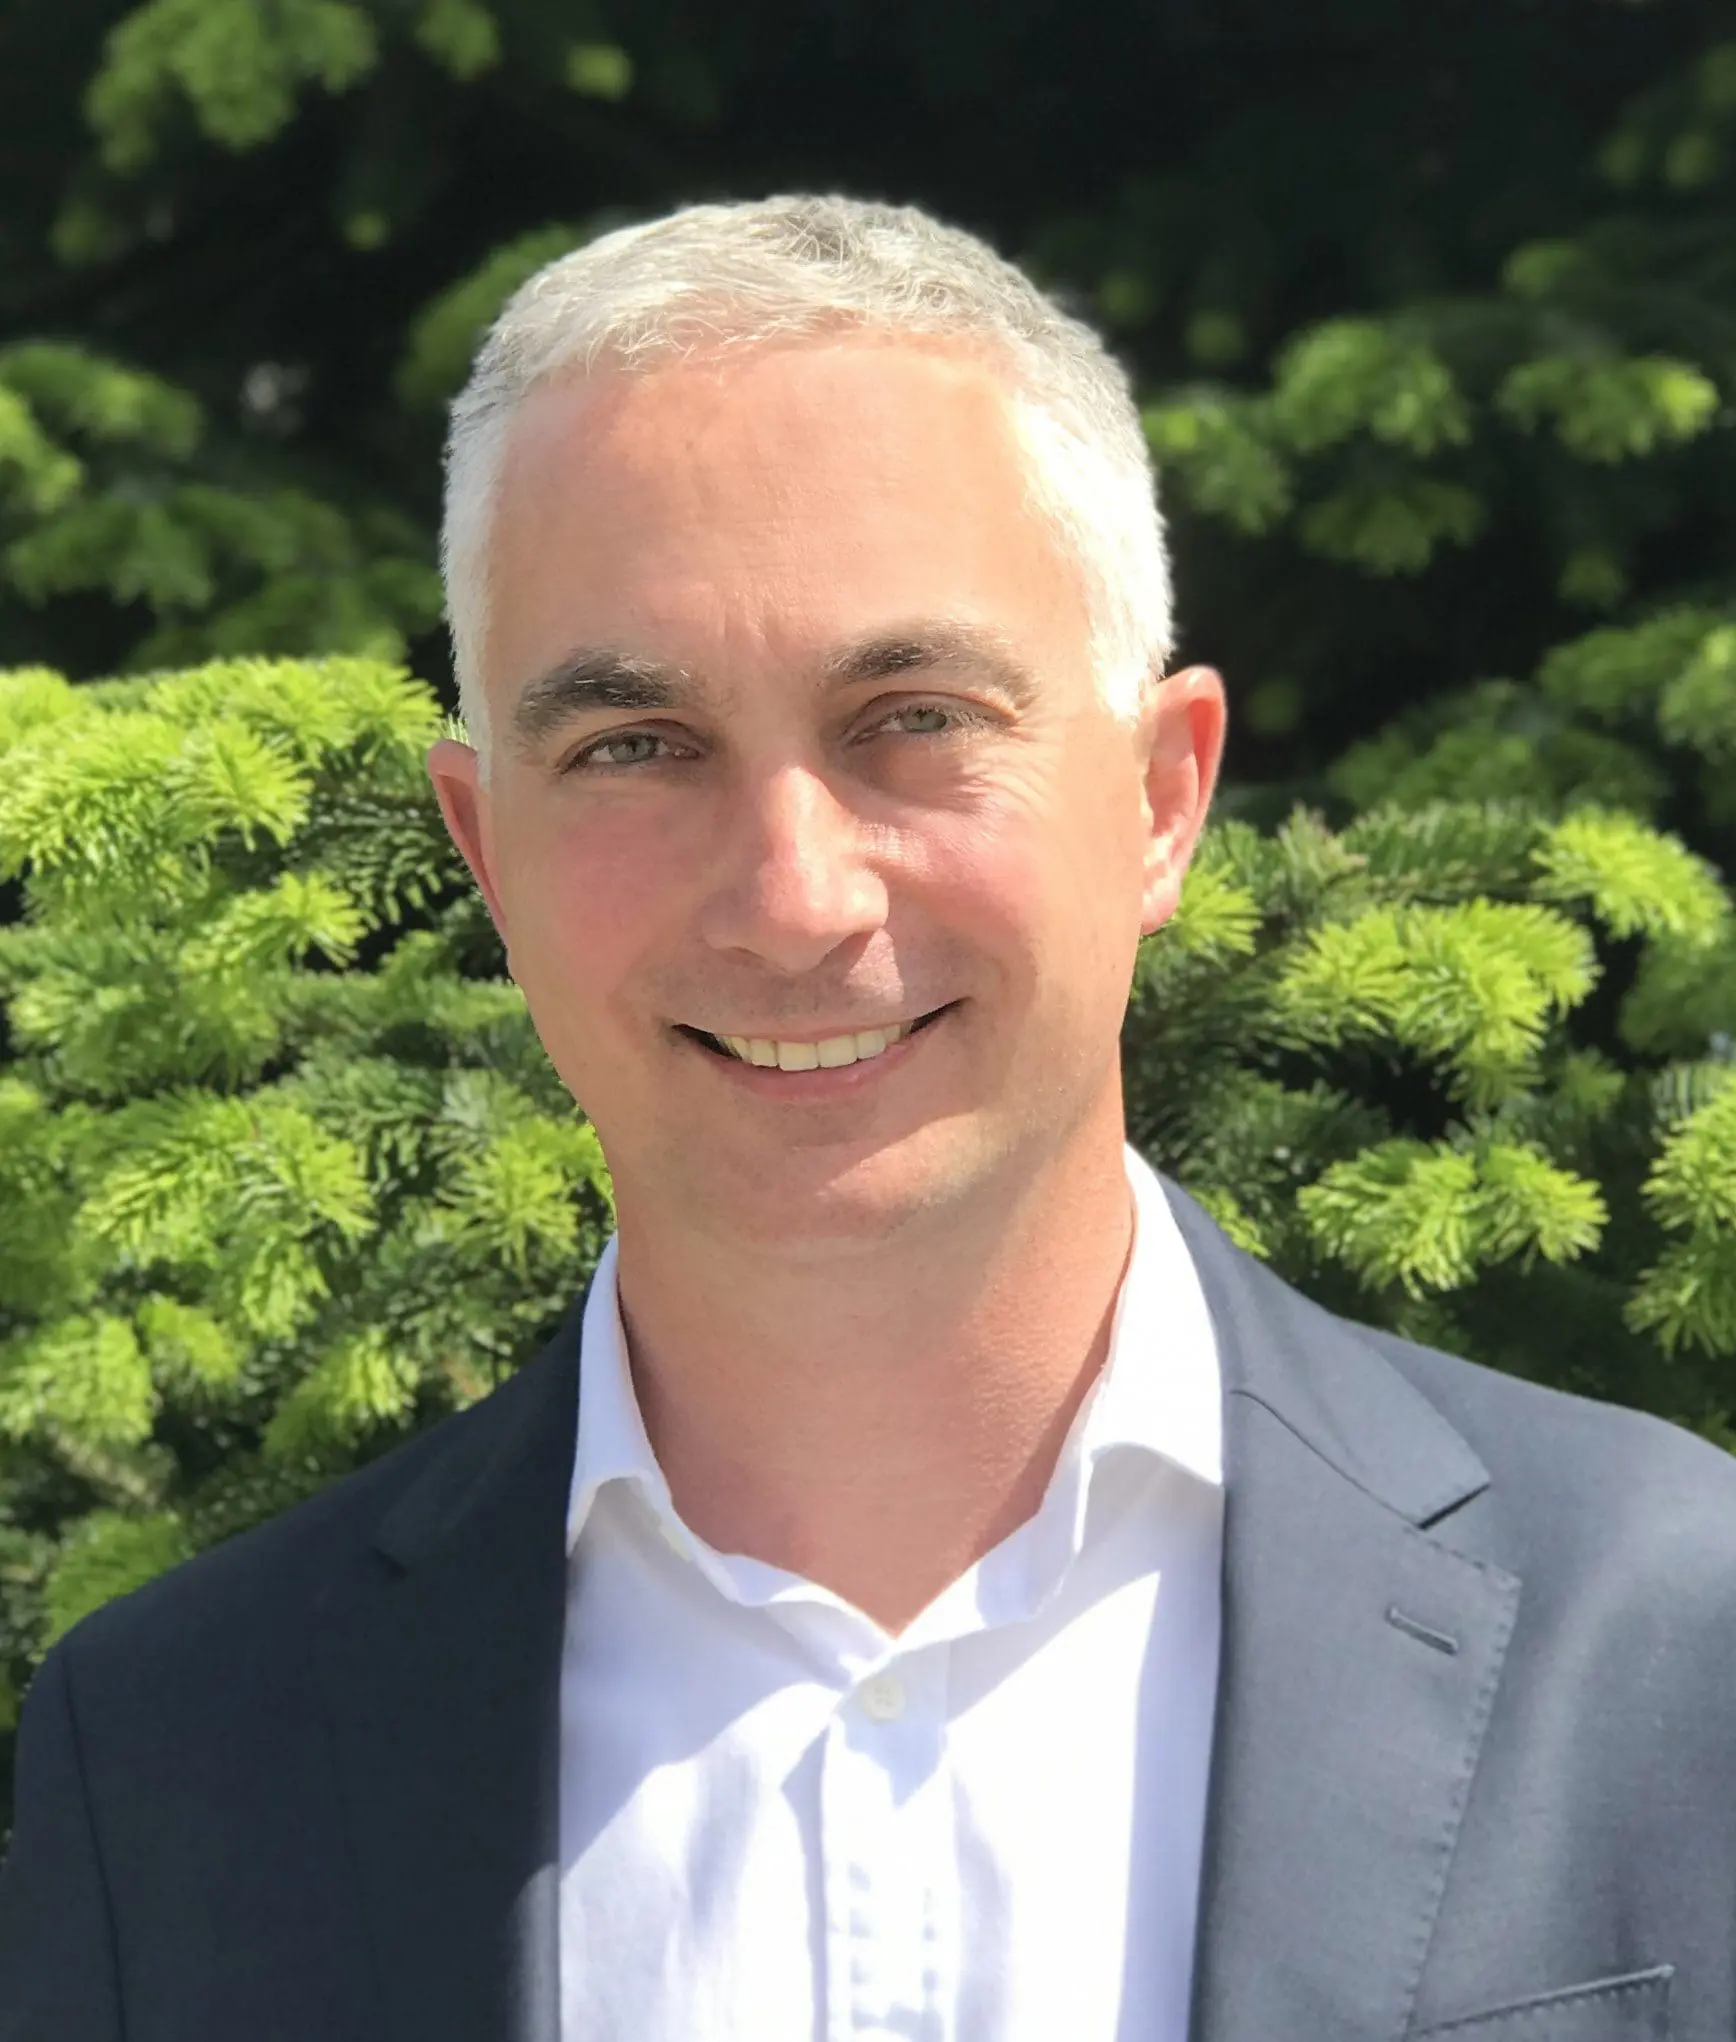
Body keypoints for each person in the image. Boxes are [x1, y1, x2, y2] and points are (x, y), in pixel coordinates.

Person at [2, 192, 1733, 2042]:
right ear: (486, 848)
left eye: (911, 715)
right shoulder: (181, 1750)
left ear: (1161, 796)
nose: (793, 892)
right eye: (633, 748)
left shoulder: (1670, 1635)